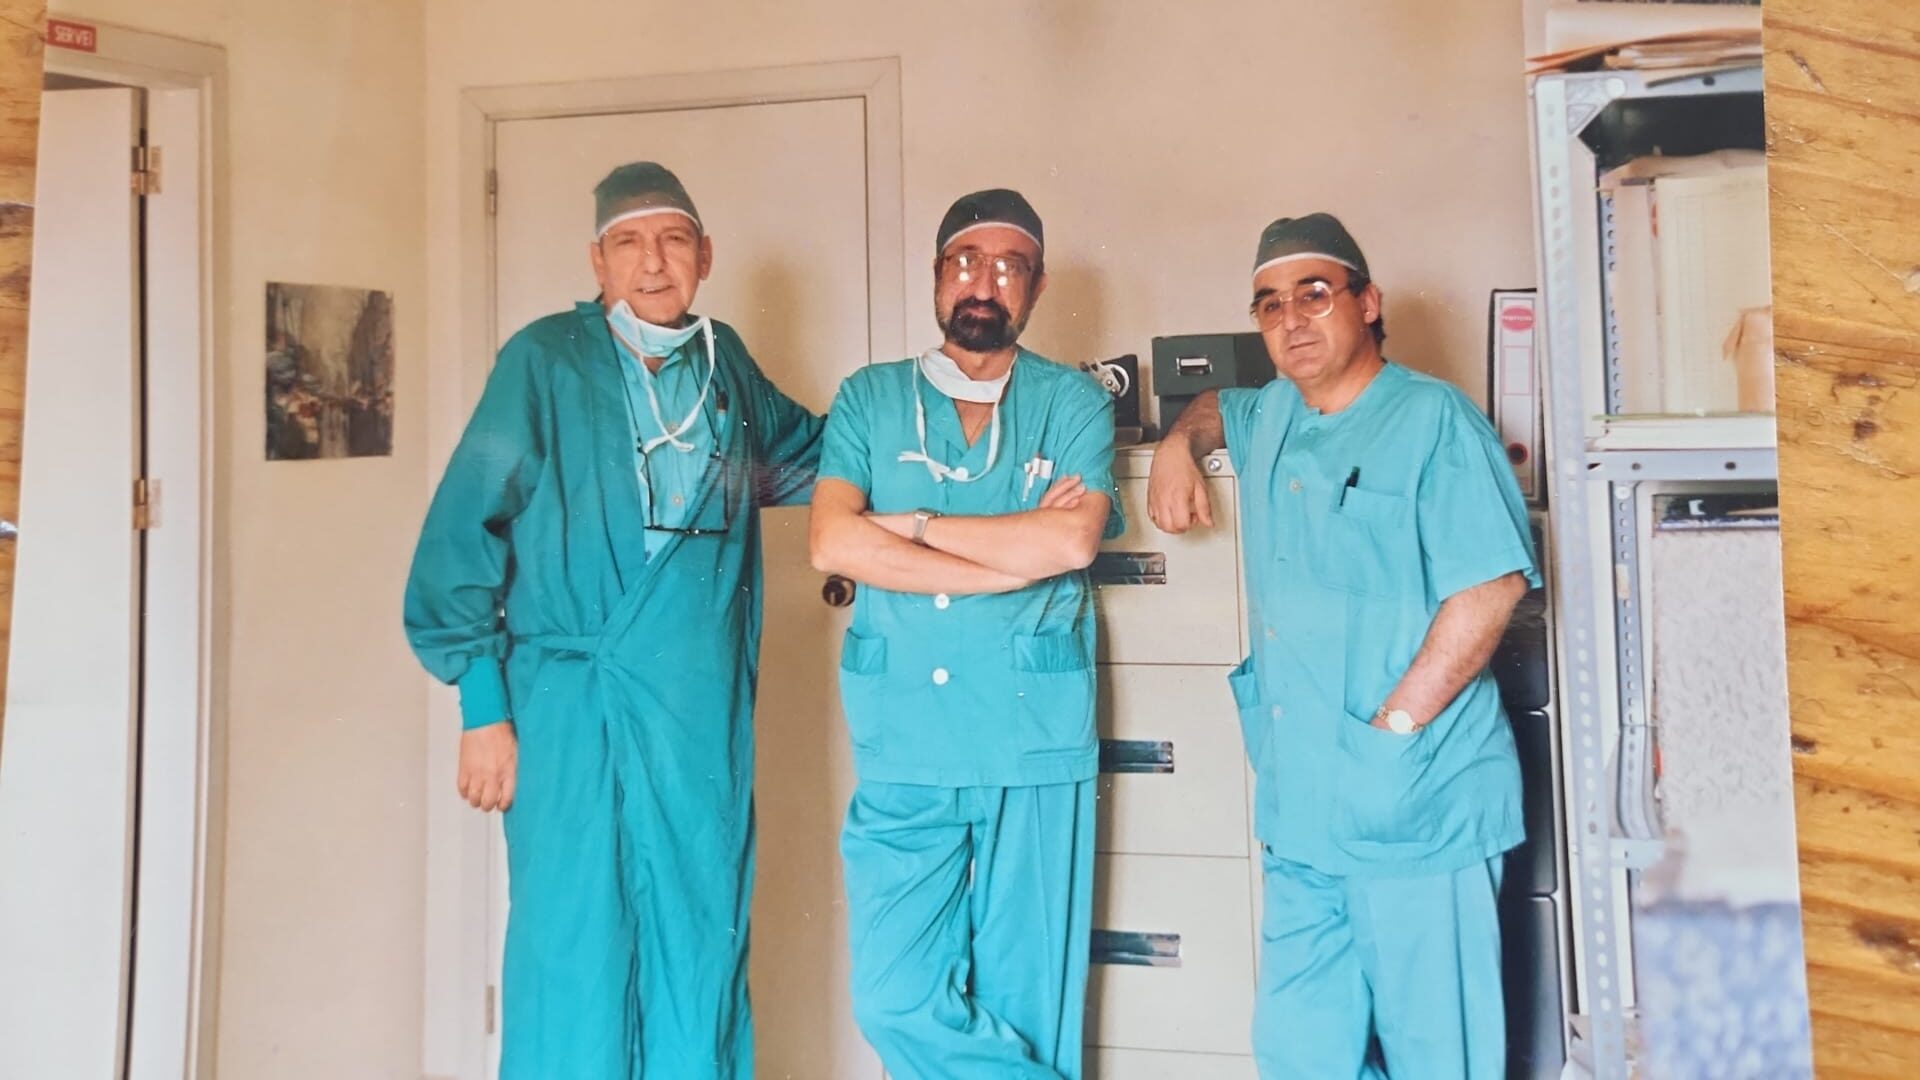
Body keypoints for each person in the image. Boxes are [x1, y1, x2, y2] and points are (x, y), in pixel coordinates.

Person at [403, 161, 823, 1078]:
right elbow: (461, 534)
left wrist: (922, 425)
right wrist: (483, 708)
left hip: (693, 714)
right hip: (567, 706)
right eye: (628, 243)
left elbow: (814, 460)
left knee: (699, 935)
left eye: (673, 240)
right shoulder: (544, 361)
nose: (652, 262)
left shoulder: (724, 365)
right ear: (597, 261)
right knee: (572, 938)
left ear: (705, 255)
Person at [1147, 213, 1538, 1078]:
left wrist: (1394, 730)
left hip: (1415, 807)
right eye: (1270, 304)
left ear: (1368, 302)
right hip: (1303, 815)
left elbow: (1490, 589)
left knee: (1440, 1059)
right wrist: (1178, 443)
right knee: (1298, 1054)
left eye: (1315, 294)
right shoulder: (1274, 414)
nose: (1292, 318)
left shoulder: (1433, 419)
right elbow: (1216, 408)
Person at [808, 189, 1121, 1079]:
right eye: (966, 262)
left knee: (1029, 1006)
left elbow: (1071, 542)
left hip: (1032, 736)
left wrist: (908, 527)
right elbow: (831, 541)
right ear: (937, 275)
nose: (984, 283)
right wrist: (1009, 561)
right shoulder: (870, 398)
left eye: (1009, 266)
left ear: (1038, 286)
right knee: (894, 998)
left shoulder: (1072, 402)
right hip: (906, 737)